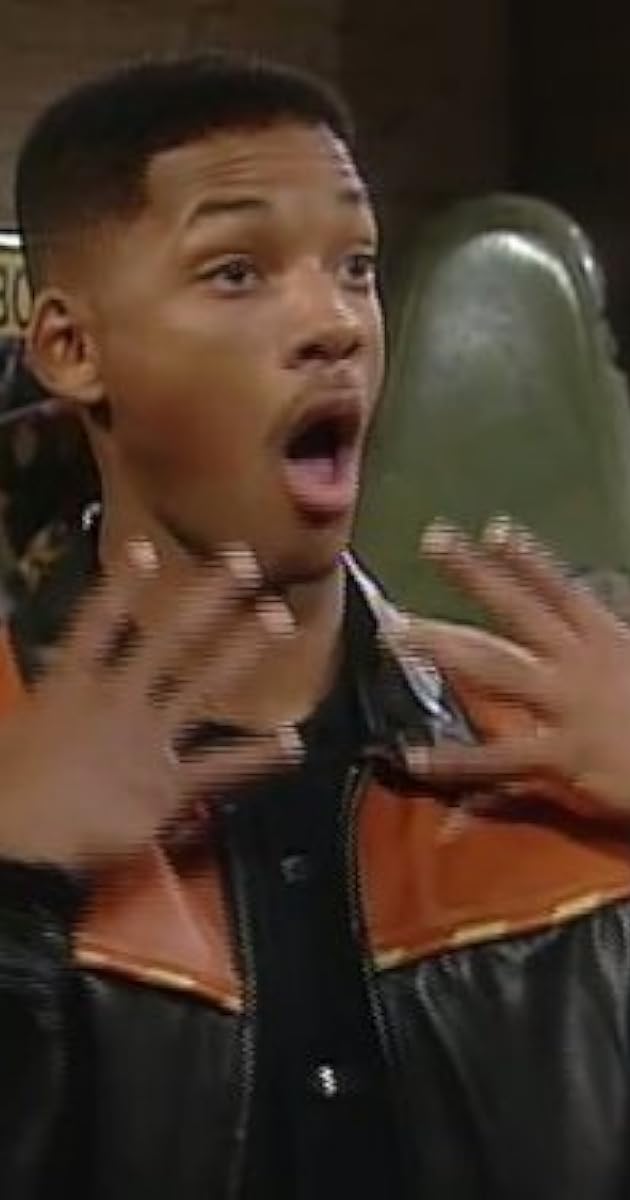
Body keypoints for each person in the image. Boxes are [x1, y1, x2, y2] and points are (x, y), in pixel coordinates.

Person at [2, 52, 630, 1200]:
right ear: (72, 349)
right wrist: (13, 893)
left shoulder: (559, 756)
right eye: (237, 272)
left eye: (357, 267)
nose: (335, 322)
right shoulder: (14, 769)